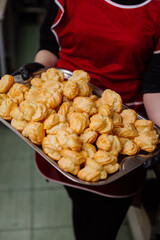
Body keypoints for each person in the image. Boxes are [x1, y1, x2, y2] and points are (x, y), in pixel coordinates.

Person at [33, 0, 160, 239]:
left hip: (120, 132)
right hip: (61, 120)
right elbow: (50, 47)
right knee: (81, 205)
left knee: (102, 223)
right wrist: (36, 70)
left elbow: (155, 86)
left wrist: (158, 133)